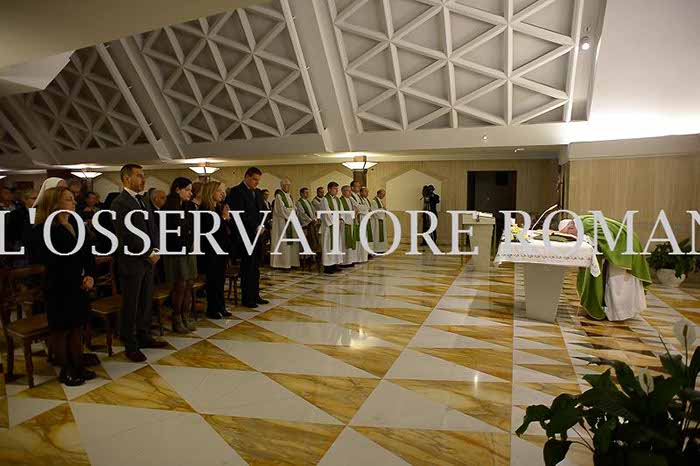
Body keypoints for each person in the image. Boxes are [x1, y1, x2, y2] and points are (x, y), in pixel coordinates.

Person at [33, 187, 96, 386]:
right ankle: (65, 369)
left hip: (78, 284)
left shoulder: (75, 223)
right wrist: (78, 277)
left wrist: (90, 275)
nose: (74, 202)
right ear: (55, 204)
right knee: (61, 329)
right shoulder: (44, 229)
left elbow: (87, 253)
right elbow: (51, 261)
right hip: (58, 286)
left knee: (76, 326)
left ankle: (78, 364)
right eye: (69, 199)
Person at [111, 164, 167, 362]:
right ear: (127, 179)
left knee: (145, 301)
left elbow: (151, 227)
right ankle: (129, 342)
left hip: (147, 260)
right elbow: (127, 234)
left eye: (143, 176)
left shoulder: (142, 200)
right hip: (132, 260)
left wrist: (156, 248)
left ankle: (143, 334)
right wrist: (148, 252)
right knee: (131, 304)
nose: (143, 180)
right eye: (139, 176)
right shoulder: (120, 203)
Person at [559, 217, 652, 321]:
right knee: (612, 278)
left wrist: (586, 239)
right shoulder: (582, 222)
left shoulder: (586, 223)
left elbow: (604, 236)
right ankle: (616, 311)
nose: (572, 236)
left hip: (623, 244)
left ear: (571, 228)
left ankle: (621, 313)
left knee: (618, 280)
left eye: (569, 234)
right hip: (620, 245)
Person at [226, 167, 269, 308]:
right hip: (245, 236)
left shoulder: (257, 192)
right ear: (247, 177)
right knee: (247, 267)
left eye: (258, 180)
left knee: (256, 267)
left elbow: (263, 211)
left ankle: (255, 295)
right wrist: (255, 226)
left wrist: (262, 225)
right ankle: (247, 298)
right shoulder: (236, 191)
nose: (257, 182)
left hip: (258, 235)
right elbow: (239, 214)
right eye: (254, 179)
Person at [161, 177, 198, 333]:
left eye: (191, 190)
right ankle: (176, 318)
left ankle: (185, 315)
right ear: (177, 190)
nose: (190, 193)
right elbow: (168, 232)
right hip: (175, 249)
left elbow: (192, 226)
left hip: (188, 248)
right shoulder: (168, 207)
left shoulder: (188, 206)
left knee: (189, 283)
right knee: (180, 285)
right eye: (187, 190)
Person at [200, 180, 233, 319]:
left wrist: (226, 219)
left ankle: (221, 306)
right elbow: (211, 231)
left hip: (220, 249)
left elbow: (224, 229)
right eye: (219, 190)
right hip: (210, 251)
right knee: (213, 281)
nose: (222, 194)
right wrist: (224, 218)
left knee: (220, 280)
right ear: (211, 192)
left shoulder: (217, 207)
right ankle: (212, 308)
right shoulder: (204, 209)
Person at [271, 178, 300, 270]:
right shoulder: (279, 196)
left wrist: (292, 210)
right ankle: (282, 263)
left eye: (289, 185)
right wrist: (292, 211)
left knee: (291, 244)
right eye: (286, 185)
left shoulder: (289, 196)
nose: (287, 187)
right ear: (282, 186)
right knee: (283, 244)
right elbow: (281, 210)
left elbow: (294, 208)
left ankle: (291, 262)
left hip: (290, 222)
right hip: (282, 224)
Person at [319, 182, 344, 274]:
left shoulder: (337, 200)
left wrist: (341, 218)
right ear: (329, 189)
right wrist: (336, 221)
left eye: (337, 189)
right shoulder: (325, 199)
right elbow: (327, 213)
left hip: (336, 226)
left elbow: (341, 211)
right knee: (328, 245)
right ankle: (327, 266)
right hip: (328, 227)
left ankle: (334, 264)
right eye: (334, 189)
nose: (336, 190)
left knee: (336, 245)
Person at [296, 187, 320, 266]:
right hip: (305, 225)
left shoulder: (308, 202)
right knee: (305, 242)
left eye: (308, 192)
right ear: (301, 193)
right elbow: (301, 214)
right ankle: (304, 259)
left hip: (311, 225)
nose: (307, 194)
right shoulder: (299, 203)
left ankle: (311, 257)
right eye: (306, 193)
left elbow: (313, 211)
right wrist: (310, 220)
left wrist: (315, 219)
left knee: (311, 241)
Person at [356, 187, 373, 263]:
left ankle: (366, 254)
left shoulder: (365, 199)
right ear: (361, 192)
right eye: (366, 191)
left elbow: (367, 208)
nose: (367, 193)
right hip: (361, 220)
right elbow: (360, 208)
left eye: (367, 192)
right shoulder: (358, 198)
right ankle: (362, 256)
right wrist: (365, 209)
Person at [371, 189, 388, 254]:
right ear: (378, 194)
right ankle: (377, 249)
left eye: (384, 195)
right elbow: (374, 211)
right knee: (377, 235)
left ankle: (381, 248)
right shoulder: (374, 201)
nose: (383, 196)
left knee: (381, 235)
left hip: (381, 220)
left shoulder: (380, 201)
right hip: (377, 221)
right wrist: (383, 210)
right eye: (382, 194)